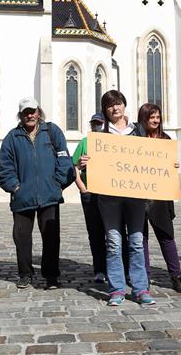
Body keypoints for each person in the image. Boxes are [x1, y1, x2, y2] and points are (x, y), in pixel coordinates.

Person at [79, 90, 154, 306]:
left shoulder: (138, 131)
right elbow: (88, 164)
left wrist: (168, 165)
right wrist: (85, 162)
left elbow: (152, 157)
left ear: (124, 105)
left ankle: (140, 288)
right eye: (110, 105)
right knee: (113, 242)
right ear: (105, 110)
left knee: (137, 242)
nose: (115, 108)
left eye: (118, 103)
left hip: (135, 196)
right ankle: (117, 289)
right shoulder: (100, 136)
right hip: (109, 197)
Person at [0, 97, 73, 290]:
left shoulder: (52, 132)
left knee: (51, 237)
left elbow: (64, 159)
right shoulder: (12, 138)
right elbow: (4, 169)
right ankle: (25, 274)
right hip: (23, 197)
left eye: (33, 111)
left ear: (39, 111)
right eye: (25, 112)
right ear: (20, 115)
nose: (30, 115)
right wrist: (15, 188)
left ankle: (51, 276)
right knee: (21, 237)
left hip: (49, 195)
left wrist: (58, 183)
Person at [138, 103, 181, 293]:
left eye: (158, 117)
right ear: (143, 118)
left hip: (160, 197)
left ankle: (177, 277)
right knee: (140, 239)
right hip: (138, 195)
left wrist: (174, 165)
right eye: (151, 117)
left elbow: (169, 169)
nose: (155, 120)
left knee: (167, 237)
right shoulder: (134, 140)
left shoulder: (166, 139)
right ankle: (144, 278)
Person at [73, 113, 107, 283]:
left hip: (109, 193)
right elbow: (74, 166)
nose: (97, 127)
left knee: (115, 233)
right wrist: (83, 188)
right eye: (94, 124)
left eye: (99, 124)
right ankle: (99, 269)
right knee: (95, 233)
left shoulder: (112, 141)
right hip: (90, 193)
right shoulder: (84, 142)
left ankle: (120, 269)